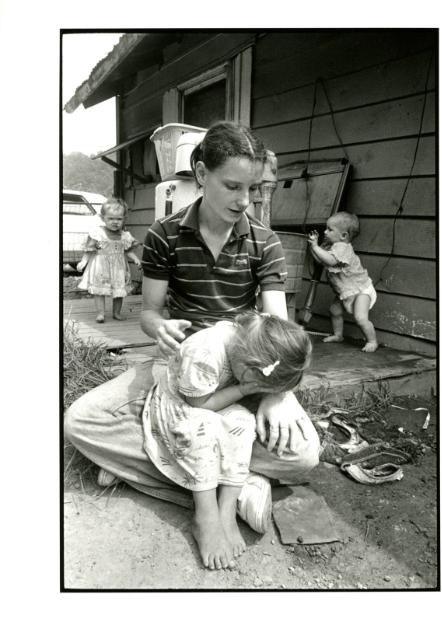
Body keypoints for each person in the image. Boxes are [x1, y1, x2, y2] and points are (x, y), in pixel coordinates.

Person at [64, 120, 320, 569]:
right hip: (180, 366)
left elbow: (276, 324)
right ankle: (236, 491)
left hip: (244, 368)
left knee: (304, 456)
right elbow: (150, 312)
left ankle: (165, 469)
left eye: (254, 189)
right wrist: (156, 328)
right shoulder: (165, 234)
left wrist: (279, 394)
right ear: (201, 174)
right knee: (80, 422)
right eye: (233, 186)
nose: (245, 201)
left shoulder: (265, 242)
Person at [142, 311, 312, 569]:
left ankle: (227, 507)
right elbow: (198, 404)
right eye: (261, 385)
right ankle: (206, 517)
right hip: (184, 405)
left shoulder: (254, 334)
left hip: (216, 397)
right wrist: (244, 389)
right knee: (202, 431)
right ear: (248, 367)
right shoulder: (205, 352)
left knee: (243, 421)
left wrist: (254, 391)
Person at [307, 212, 378, 352]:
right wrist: (313, 246)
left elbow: (331, 260)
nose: (325, 232)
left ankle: (372, 341)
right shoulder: (330, 246)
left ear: (343, 236)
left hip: (360, 290)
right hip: (345, 292)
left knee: (360, 318)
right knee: (334, 310)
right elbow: (320, 260)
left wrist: (316, 247)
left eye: (330, 229)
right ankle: (338, 335)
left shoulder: (343, 247)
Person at [77, 197, 142, 323]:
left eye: (119, 219)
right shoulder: (97, 233)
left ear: (124, 219)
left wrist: (135, 259)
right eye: (111, 218)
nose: (115, 222)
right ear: (103, 218)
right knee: (99, 291)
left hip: (118, 268)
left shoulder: (124, 236)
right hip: (100, 267)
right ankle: (100, 313)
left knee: (119, 291)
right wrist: (83, 261)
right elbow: (89, 249)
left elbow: (127, 250)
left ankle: (116, 313)